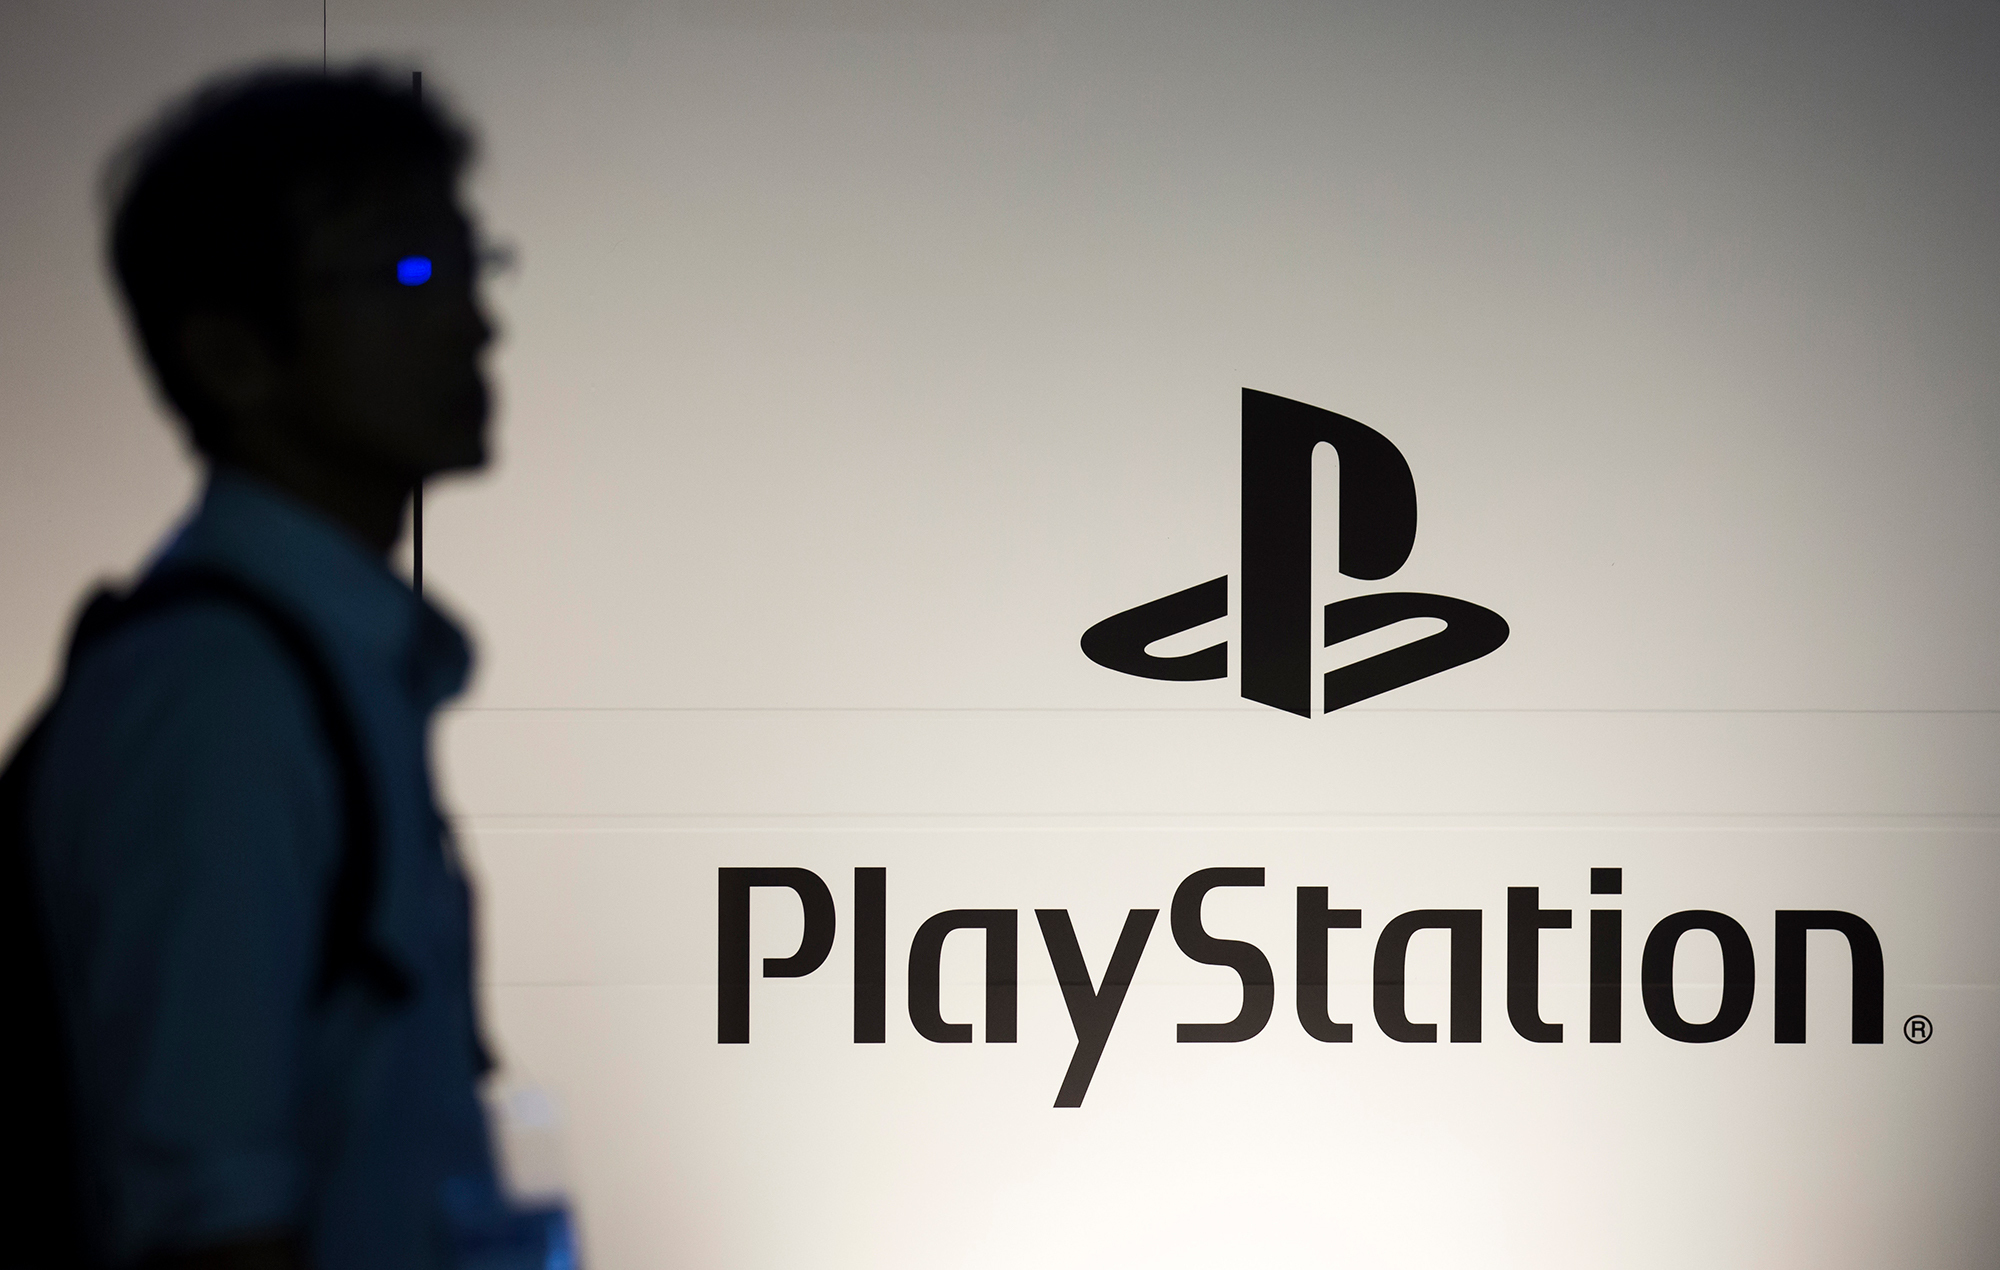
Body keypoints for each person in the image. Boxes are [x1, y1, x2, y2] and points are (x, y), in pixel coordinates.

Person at [21, 66, 513, 1270]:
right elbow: (208, 1219)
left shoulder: (318, 670)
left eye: (471, 265)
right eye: (408, 272)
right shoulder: (217, 698)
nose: (474, 320)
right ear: (230, 354)